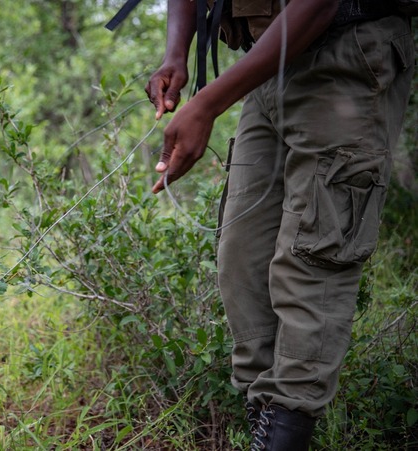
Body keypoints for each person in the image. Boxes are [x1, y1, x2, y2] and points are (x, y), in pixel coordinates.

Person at [144, 0, 414, 449]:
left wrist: (208, 104)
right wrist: (176, 53)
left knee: (311, 257)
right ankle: (264, 428)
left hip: (346, 51)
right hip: (268, 65)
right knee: (241, 263)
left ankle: (284, 429)